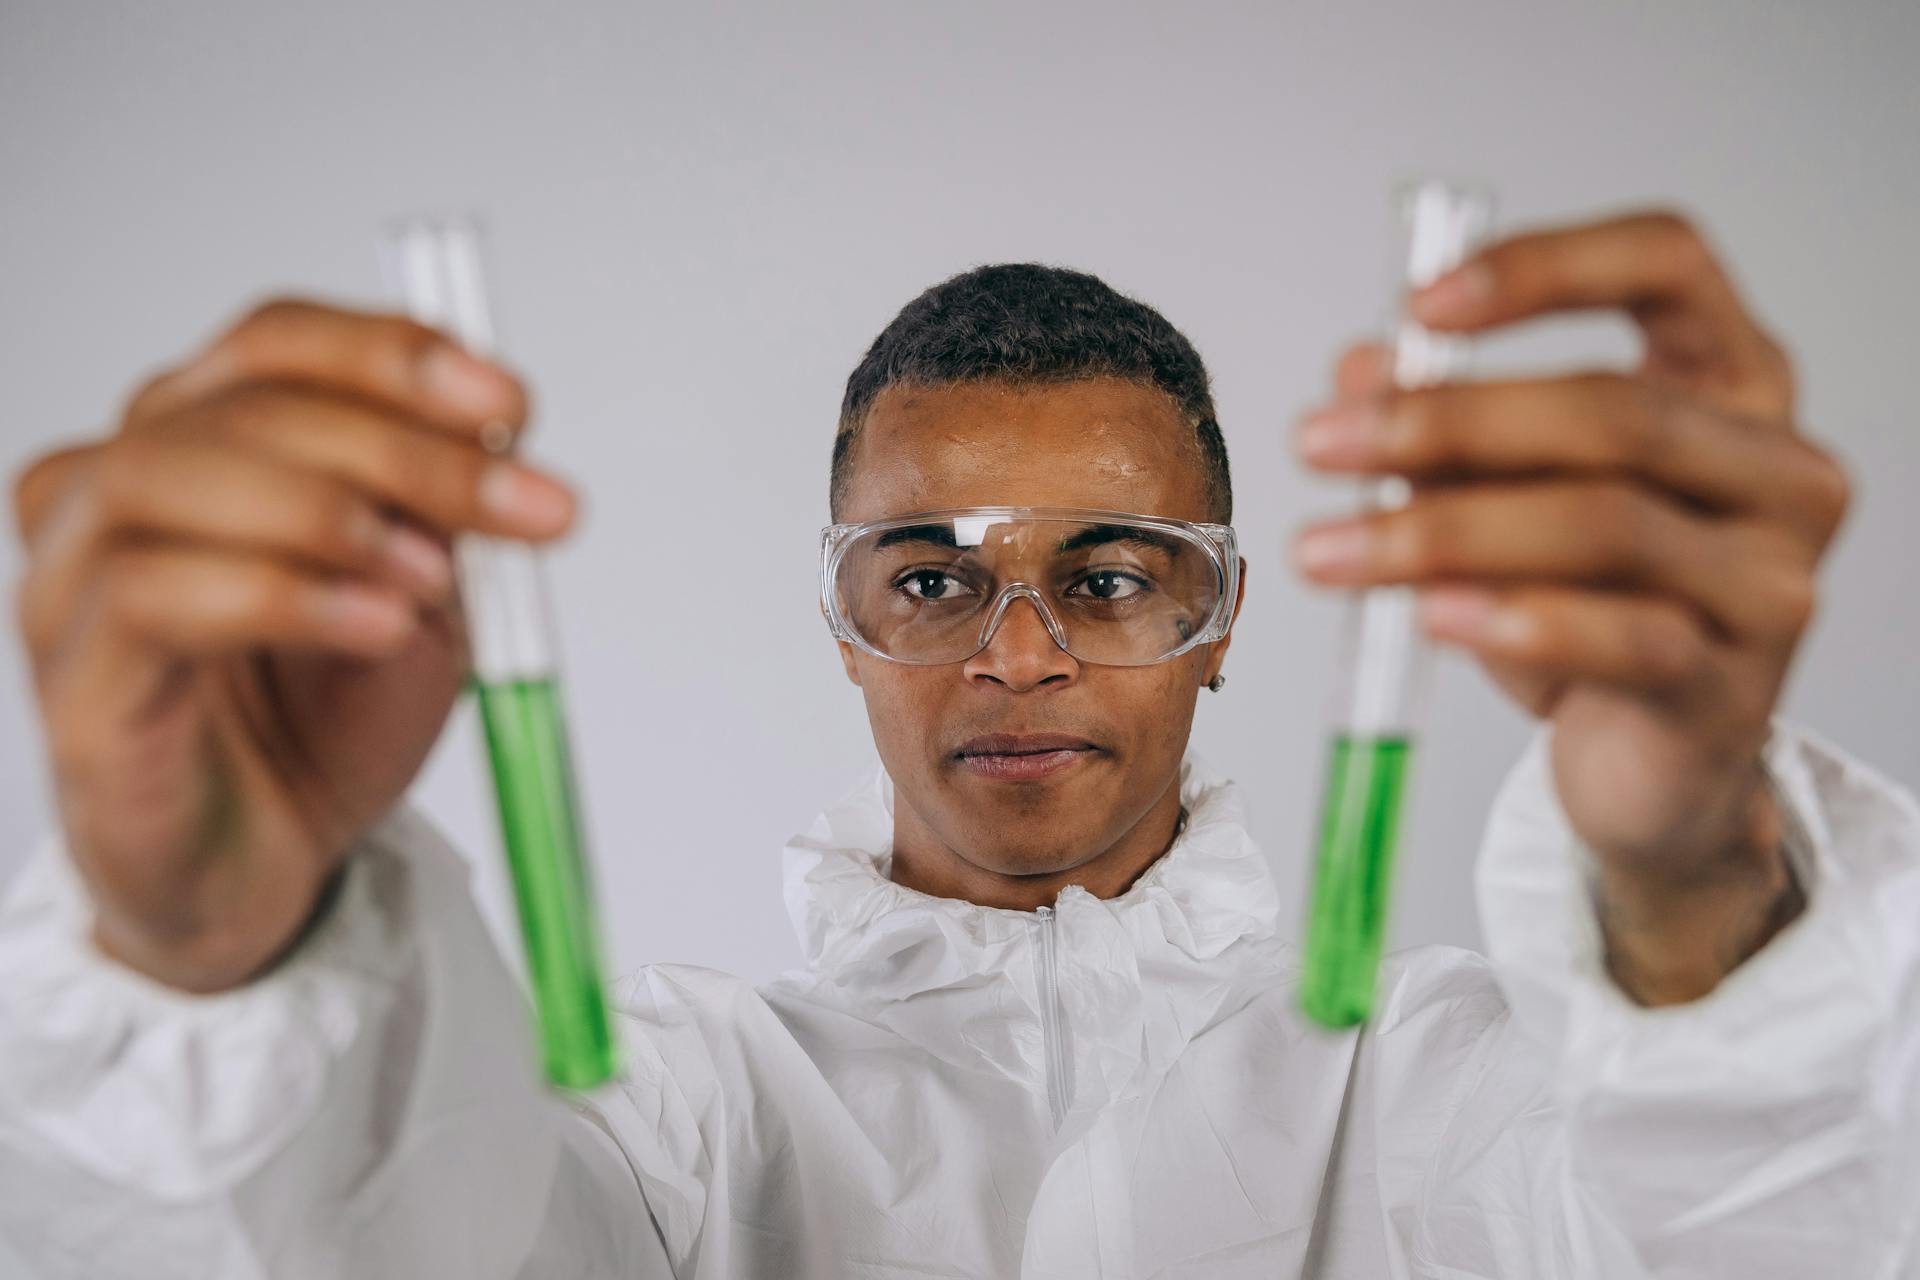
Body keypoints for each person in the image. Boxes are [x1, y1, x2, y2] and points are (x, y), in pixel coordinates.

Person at [0, 209, 1914, 1280]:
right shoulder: (672, 1107)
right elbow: (394, 1244)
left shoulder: (1438, 1084)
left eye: (1109, 575)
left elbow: (1771, 1234)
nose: (1013, 654)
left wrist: (1694, 885)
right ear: (842, 628)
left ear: (1226, 621)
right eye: (925, 581)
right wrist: (210, 974)